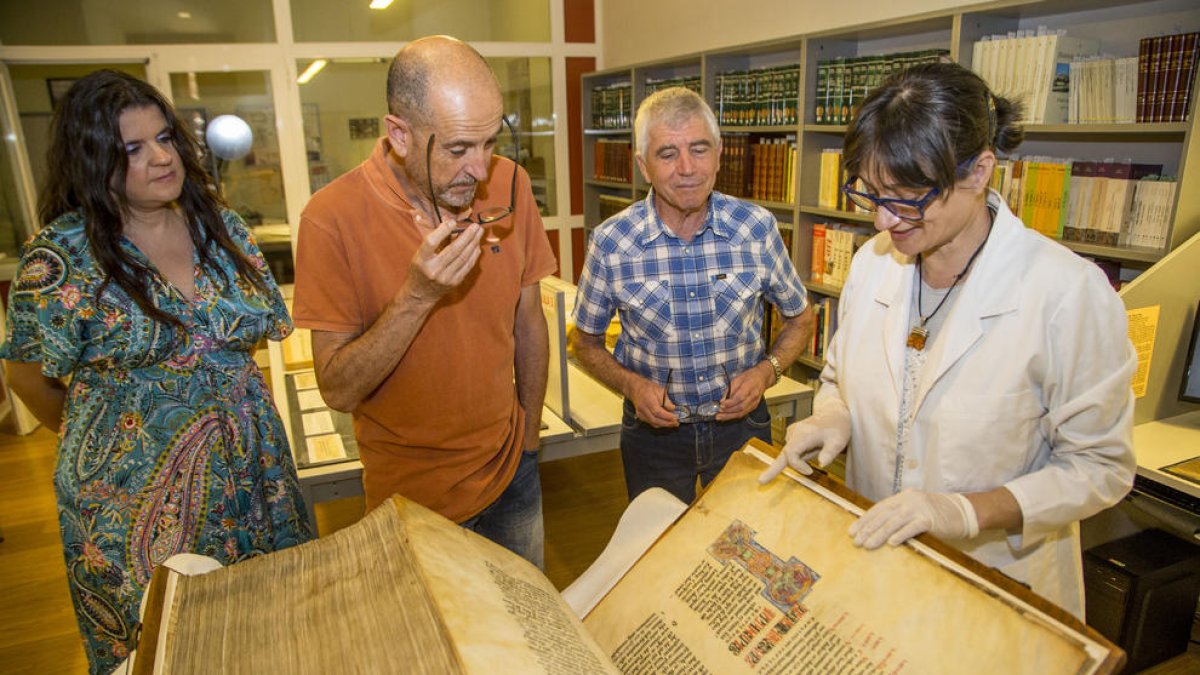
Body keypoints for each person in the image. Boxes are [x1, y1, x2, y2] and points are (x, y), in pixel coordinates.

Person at [760, 62, 1136, 619]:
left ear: (980, 171)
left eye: (909, 197)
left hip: (997, 584)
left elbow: (1100, 467)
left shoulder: (1066, 292)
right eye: (871, 193)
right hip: (880, 565)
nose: (885, 220)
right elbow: (840, 377)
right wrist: (833, 418)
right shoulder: (871, 266)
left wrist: (964, 512)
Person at [0, 70, 313, 673]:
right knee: (164, 648)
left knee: (269, 633)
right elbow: (25, 375)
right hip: (130, 502)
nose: (163, 157)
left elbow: (249, 347)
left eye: (165, 138)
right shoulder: (62, 257)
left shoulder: (222, 228)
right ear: (93, 161)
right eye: (133, 149)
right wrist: (103, 441)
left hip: (256, 482)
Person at [292, 36, 556, 567]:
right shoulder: (330, 218)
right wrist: (417, 296)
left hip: (513, 473)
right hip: (409, 501)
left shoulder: (511, 183)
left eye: (490, 142)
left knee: (523, 642)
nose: (480, 171)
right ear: (399, 134)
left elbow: (529, 321)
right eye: (459, 149)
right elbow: (338, 388)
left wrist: (528, 440)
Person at [572, 87, 812, 505]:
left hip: (742, 429)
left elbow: (801, 317)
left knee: (746, 547)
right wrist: (631, 386)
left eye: (699, 149)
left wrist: (766, 372)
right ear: (643, 165)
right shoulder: (612, 242)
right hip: (654, 439)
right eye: (667, 154)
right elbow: (585, 342)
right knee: (659, 554)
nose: (687, 168)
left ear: (719, 155)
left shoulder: (756, 229)